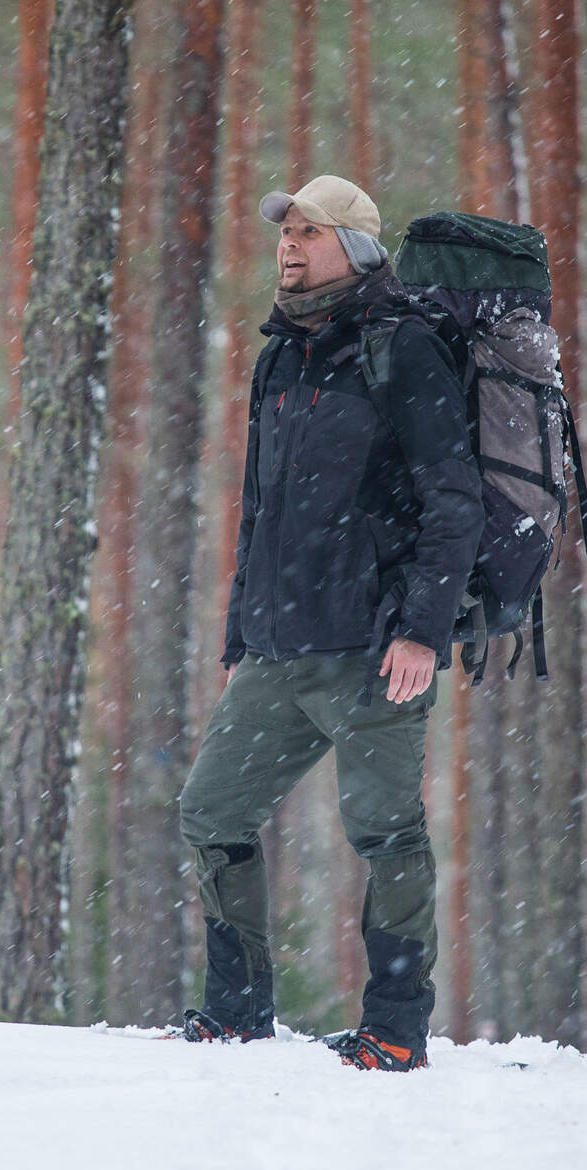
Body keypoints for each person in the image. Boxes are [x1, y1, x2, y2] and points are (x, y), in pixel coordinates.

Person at [174, 175, 484, 1071]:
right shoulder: (280, 357)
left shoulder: (404, 351)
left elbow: (452, 501)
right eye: (286, 232)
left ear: (355, 248)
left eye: (310, 232)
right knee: (212, 812)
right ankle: (235, 1011)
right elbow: (258, 510)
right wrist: (239, 637)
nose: (289, 246)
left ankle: (394, 1027)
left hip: (372, 651)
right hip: (276, 647)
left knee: (385, 833)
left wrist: (422, 630)